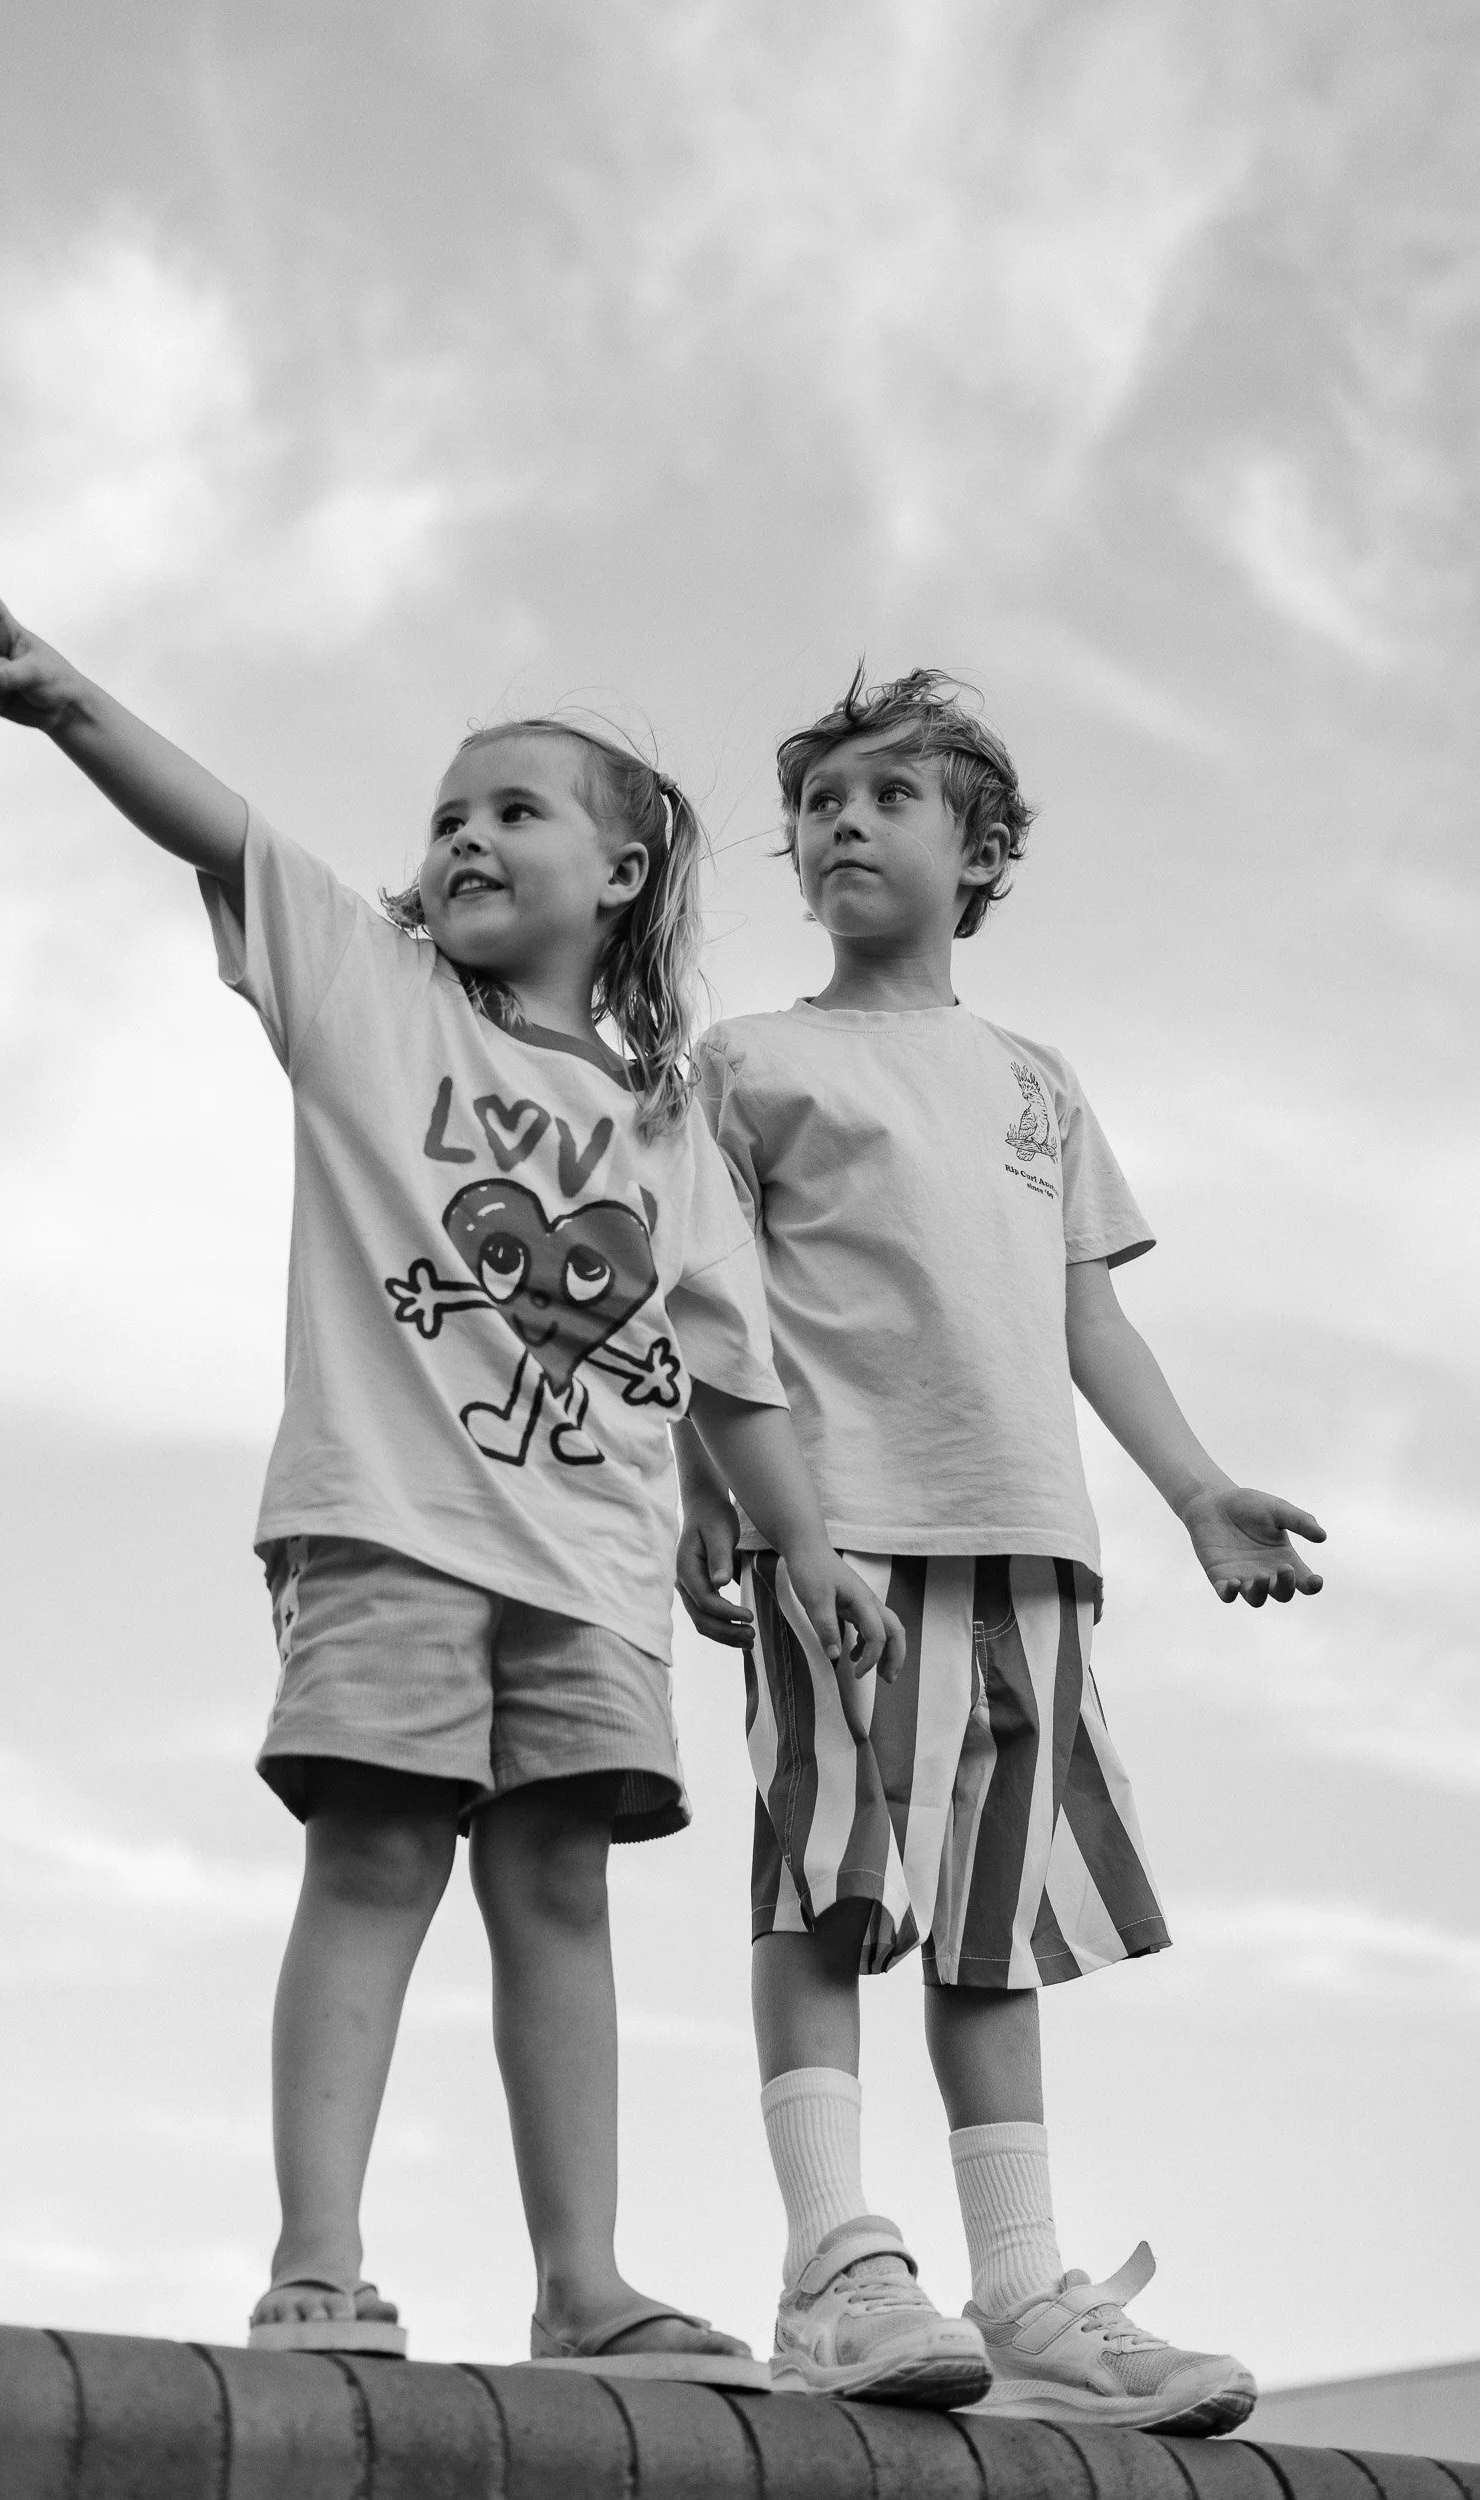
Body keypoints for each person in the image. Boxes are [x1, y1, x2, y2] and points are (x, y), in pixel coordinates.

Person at [0, 558, 903, 2383]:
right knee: (376, 1852)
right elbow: (221, 831)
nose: (465, 837)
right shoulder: (375, 995)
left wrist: (810, 1554)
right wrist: (71, 706)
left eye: (514, 810)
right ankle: (318, 2266)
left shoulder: (662, 1117)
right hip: (389, 1525)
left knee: (559, 1888)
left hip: (599, 1565)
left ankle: (585, 2287)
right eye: (447, 814)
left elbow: (732, 1373)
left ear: (619, 874)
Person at [674, 666, 1325, 2427]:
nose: (840, 826)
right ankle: (832, 2261)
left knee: (989, 1932)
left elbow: (1084, 1324)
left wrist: (1194, 1492)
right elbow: (707, 1311)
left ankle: (1022, 2288)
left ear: (980, 856)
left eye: (889, 798)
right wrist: (717, 1510)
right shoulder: (751, 1064)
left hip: (1031, 1548)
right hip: (843, 1539)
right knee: (827, 1881)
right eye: (819, 806)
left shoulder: (1033, 1082)